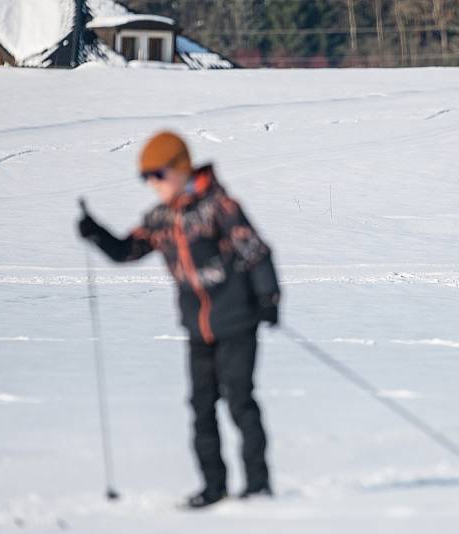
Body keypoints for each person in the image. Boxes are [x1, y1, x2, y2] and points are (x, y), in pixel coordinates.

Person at [78, 131, 279, 508]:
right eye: (146, 177)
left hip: (237, 321)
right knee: (201, 406)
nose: (152, 184)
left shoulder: (218, 206)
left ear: (179, 169)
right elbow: (127, 250)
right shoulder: (161, 219)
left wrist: (269, 298)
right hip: (197, 328)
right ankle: (213, 487)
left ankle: (258, 485)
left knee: (239, 401)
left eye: (157, 174)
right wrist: (96, 234)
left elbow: (254, 250)